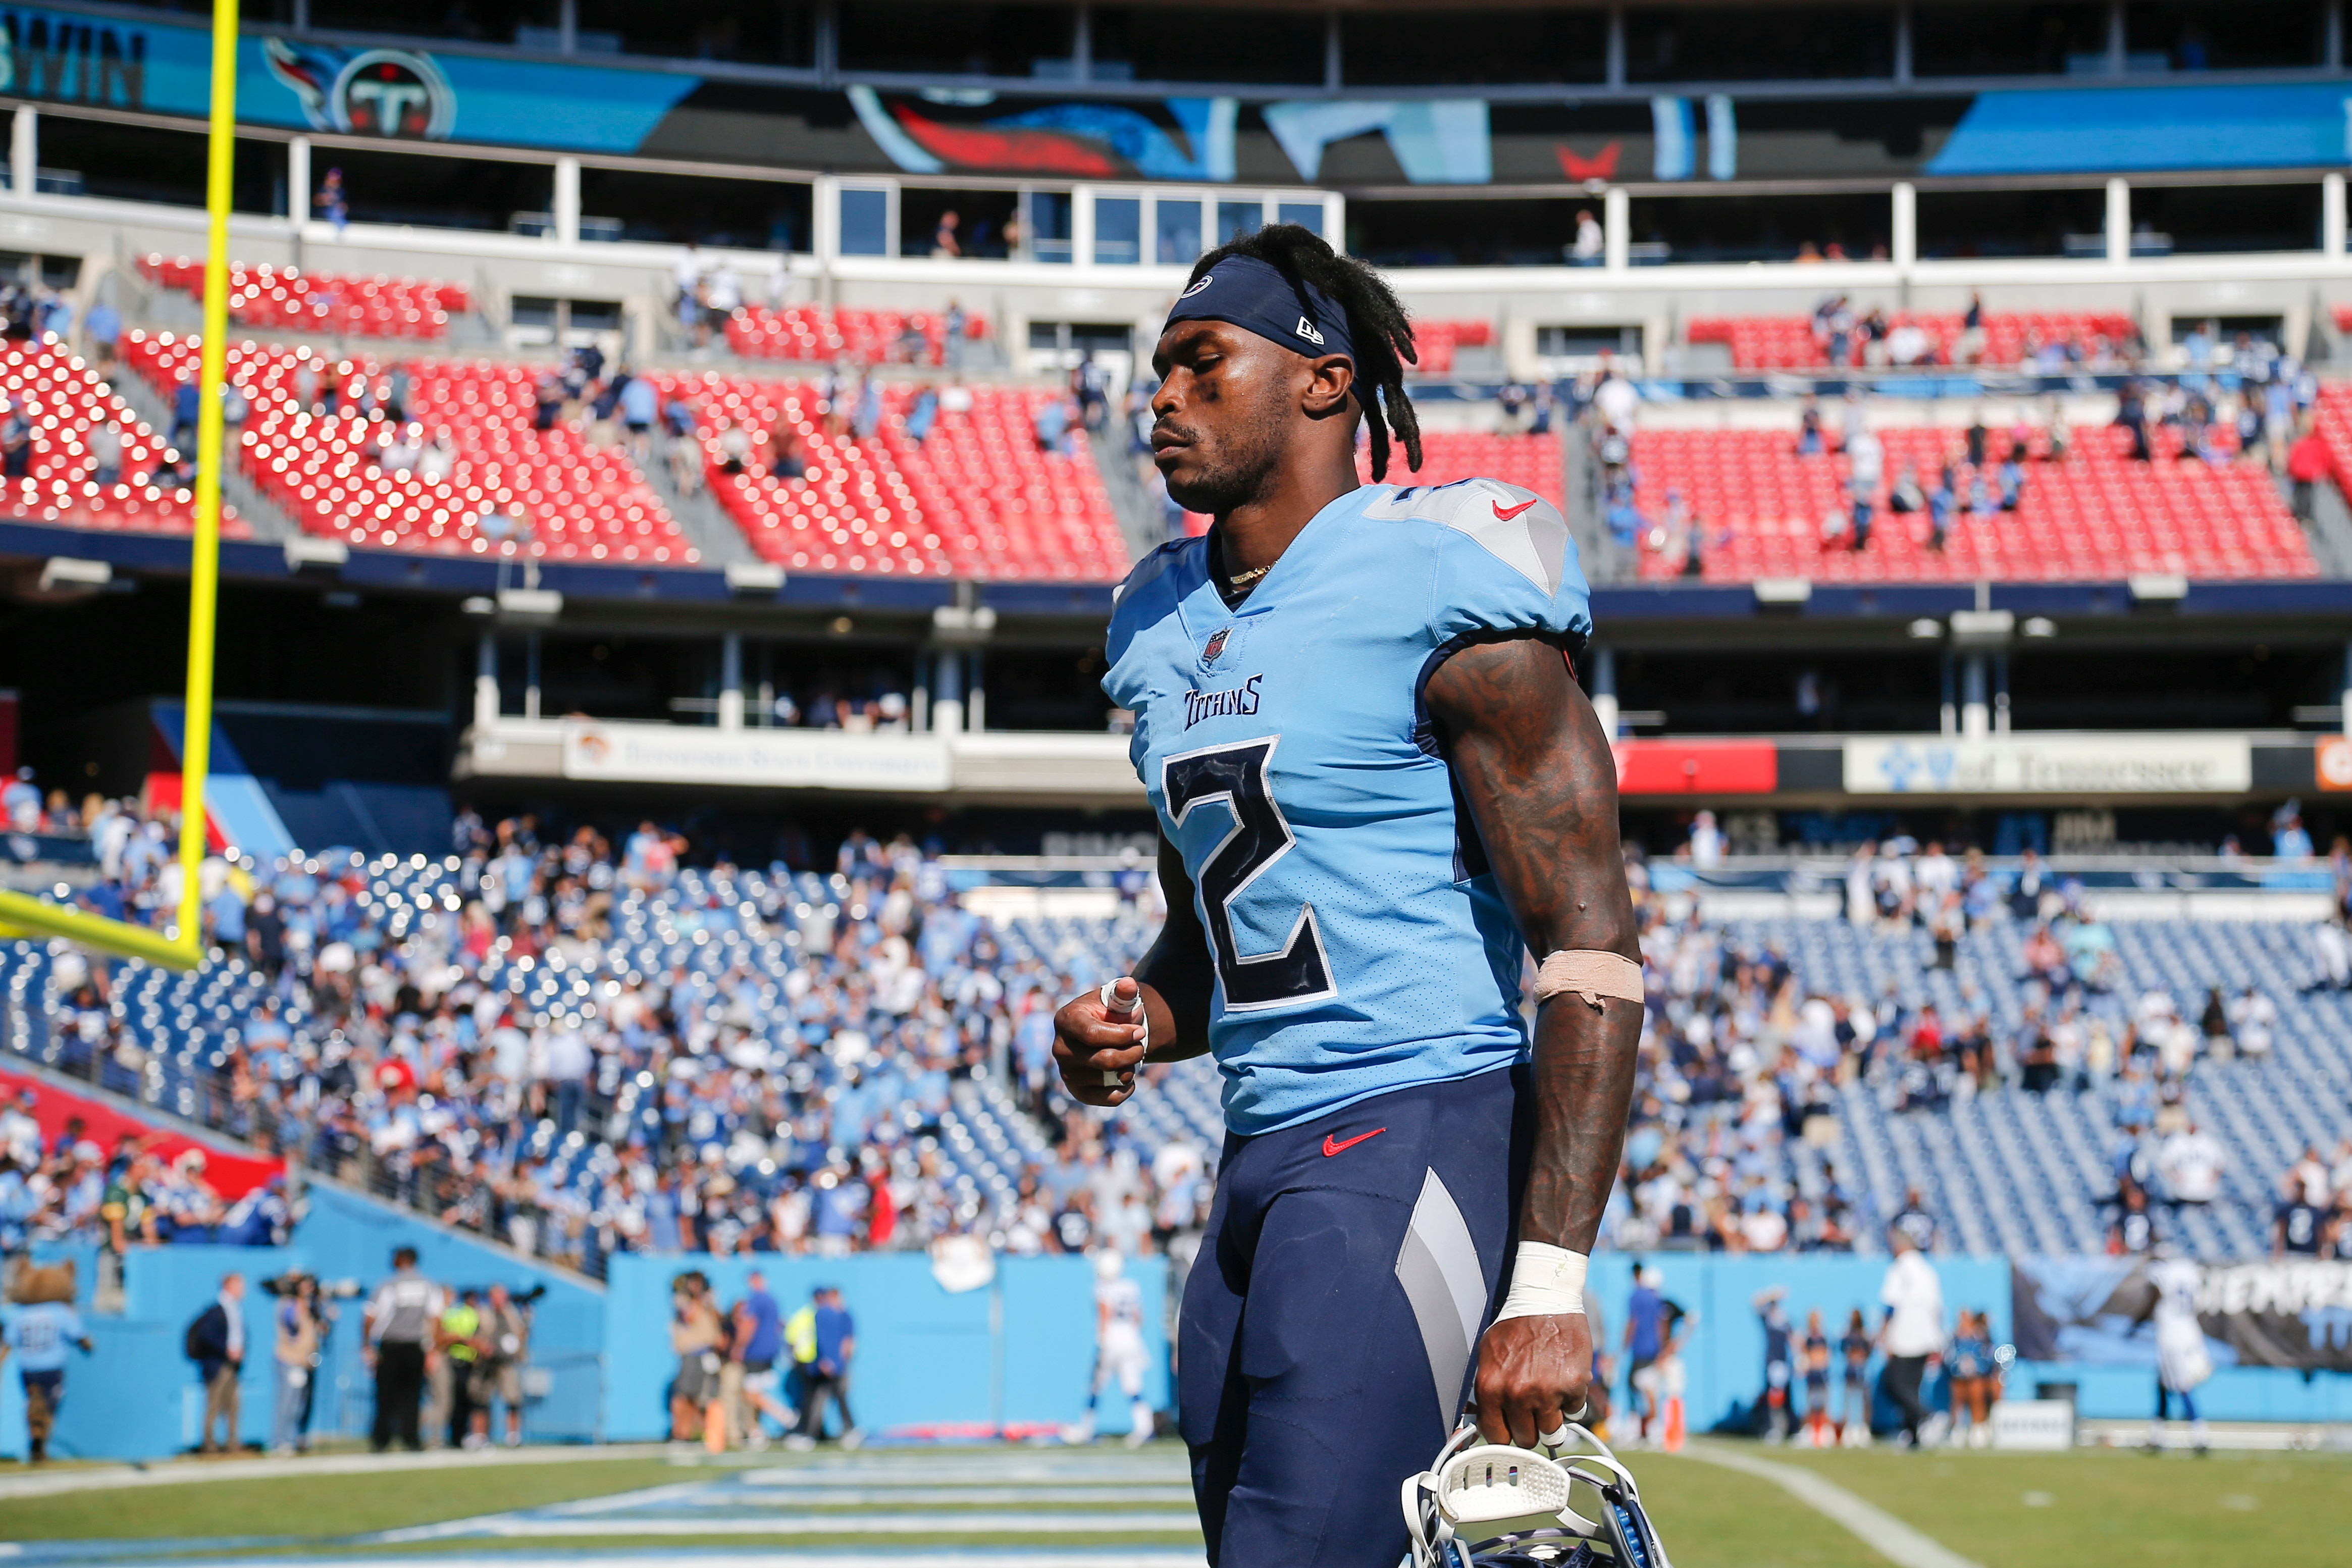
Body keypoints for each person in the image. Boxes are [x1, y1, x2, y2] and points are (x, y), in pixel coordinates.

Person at [1057, 222, 1635, 1567]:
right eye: (1159, 370)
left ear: (1323, 382)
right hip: (1256, 1159)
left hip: (1411, 1126)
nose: (1162, 398)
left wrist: (1549, 1283)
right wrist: (1139, 1011)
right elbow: (1212, 941)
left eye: (1204, 364)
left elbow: (1589, 941)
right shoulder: (1153, 623)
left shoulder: (1443, 570)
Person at [2, 1260, 91, 1465]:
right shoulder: (61, 1311)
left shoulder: (20, 1314)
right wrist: (88, 1346)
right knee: (50, 1407)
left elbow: (8, 1342)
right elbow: (80, 1336)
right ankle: (40, 1442)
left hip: (28, 1367)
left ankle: (35, 1432)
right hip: (52, 1366)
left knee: (34, 1402)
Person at [1065, 1248, 1155, 1448]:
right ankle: (1145, 1428)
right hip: (1131, 1338)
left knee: (1096, 1385)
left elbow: (1105, 1314)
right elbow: (1139, 1317)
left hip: (1112, 1338)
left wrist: (1102, 1342)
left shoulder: (1102, 1287)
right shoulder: (1131, 1286)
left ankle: (1086, 1428)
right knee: (1133, 1385)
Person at [365, 1246, 443, 1452]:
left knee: (385, 1395)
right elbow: (436, 1318)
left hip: (391, 1345)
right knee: (413, 1396)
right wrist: (432, 1349)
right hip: (415, 1346)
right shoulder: (428, 1285)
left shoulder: (389, 1285)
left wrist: (366, 1345)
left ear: (402, 1259)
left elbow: (370, 1316)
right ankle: (412, 1439)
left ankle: (382, 1440)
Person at [2139, 1249, 2211, 1453]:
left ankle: (2201, 1438)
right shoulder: (2189, 1269)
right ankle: (2156, 1436)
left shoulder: (2162, 1271)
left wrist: (2136, 1324)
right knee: (2162, 1385)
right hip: (2190, 1330)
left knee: (2183, 1385)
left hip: (2171, 1335)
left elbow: (2154, 1296)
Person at [1877, 1230, 1944, 1448]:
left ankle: (1926, 1417)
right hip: (1927, 1337)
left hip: (1905, 1336)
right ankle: (1914, 1434)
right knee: (1912, 1386)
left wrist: (1884, 1334)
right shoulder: (1928, 1270)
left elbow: (1890, 1305)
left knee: (1894, 1384)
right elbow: (1937, 1309)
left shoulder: (1899, 1268)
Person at [727, 1269, 791, 1449]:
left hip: (756, 1352)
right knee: (754, 1392)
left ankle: (783, 1415)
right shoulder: (773, 1299)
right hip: (769, 1351)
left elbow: (749, 1324)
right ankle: (756, 1432)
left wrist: (739, 1346)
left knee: (750, 1392)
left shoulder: (756, 1300)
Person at [793, 1284, 860, 1448]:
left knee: (835, 1398)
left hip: (833, 1365)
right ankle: (811, 1434)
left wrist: (835, 1362)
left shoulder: (837, 1315)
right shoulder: (828, 1314)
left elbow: (845, 1342)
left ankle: (847, 1430)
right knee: (821, 1399)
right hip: (829, 1364)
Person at [188, 1271, 246, 1453]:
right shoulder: (216, 1311)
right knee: (213, 1405)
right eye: (239, 1285)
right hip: (217, 1364)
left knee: (233, 1405)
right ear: (229, 1286)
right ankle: (209, 1444)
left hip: (232, 1366)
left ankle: (232, 1442)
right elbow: (207, 1336)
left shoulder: (236, 1309)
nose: (243, 1290)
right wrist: (226, 1349)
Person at [271, 1273, 322, 1455]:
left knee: (303, 1404)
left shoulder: (311, 1305)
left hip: (307, 1361)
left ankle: (297, 1437)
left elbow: (319, 1330)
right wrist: (303, 1306)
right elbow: (293, 1327)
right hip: (290, 1360)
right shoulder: (288, 1304)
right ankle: (281, 1440)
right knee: (288, 1403)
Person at [480, 1282, 532, 1448]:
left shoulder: (512, 1313)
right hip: (487, 1362)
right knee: (482, 1399)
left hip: (508, 1361)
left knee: (513, 1399)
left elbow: (521, 1334)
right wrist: (483, 1347)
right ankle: (481, 1436)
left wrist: (527, 1319)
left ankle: (513, 1435)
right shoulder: (484, 1313)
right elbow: (479, 1334)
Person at [437, 1288, 486, 1449]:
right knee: (454, 1401)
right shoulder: (453, 1313)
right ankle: (452, 1437)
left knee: (467, 1401)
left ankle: (461, 1436)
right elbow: (452, 1336)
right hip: (456, 1360)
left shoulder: (470, 1314)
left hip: (469, 1362)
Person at [1623, 1264, 1665, 1442]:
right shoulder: (1656, 1299)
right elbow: (1661, 1324)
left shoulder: (1637, 1296)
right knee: (1647, 1386)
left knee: (1637, 1386)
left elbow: (1633, 1322)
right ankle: (1650, 1427)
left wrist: (1624, 1344)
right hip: (1653, 1348)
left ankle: (1642, 1428)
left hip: (1641, 1348)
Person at [1946, 1308, 1993, 1448]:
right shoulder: (1954, 1340)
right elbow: (1948, 1359)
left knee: (1976, 1391)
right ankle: (1957, 1427)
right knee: (1957, 1393)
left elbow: (1987, 1359)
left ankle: (1977, 1426)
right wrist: (1959, 1367)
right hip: (1958, 1378)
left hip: (1976, 1378)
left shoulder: (1980, 1339)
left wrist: (1975, 1367)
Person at [1753, 1286, 1793, 1443]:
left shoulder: (1784, 1319)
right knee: (1773, 1397)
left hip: (1783, 1362)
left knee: (1782, 1397)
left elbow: (1792, 1338)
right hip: (1773, 1361)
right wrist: (1772, 1294)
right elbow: (1755, 1301)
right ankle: (1775, 1428)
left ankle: (1783, 1428)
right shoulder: (1768, 1316)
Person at [1837, 1307, 1873, 1446]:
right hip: (1851, 1370)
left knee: (1864, 1399)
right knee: (1848, 1399)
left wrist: (1861, 1357)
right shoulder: (1847, 1334)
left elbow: (1868, 1350)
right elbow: (1843, 1349)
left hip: (1862, 1370)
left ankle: (1864, 1429)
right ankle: (1849, 1429)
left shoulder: (1864, 1334)